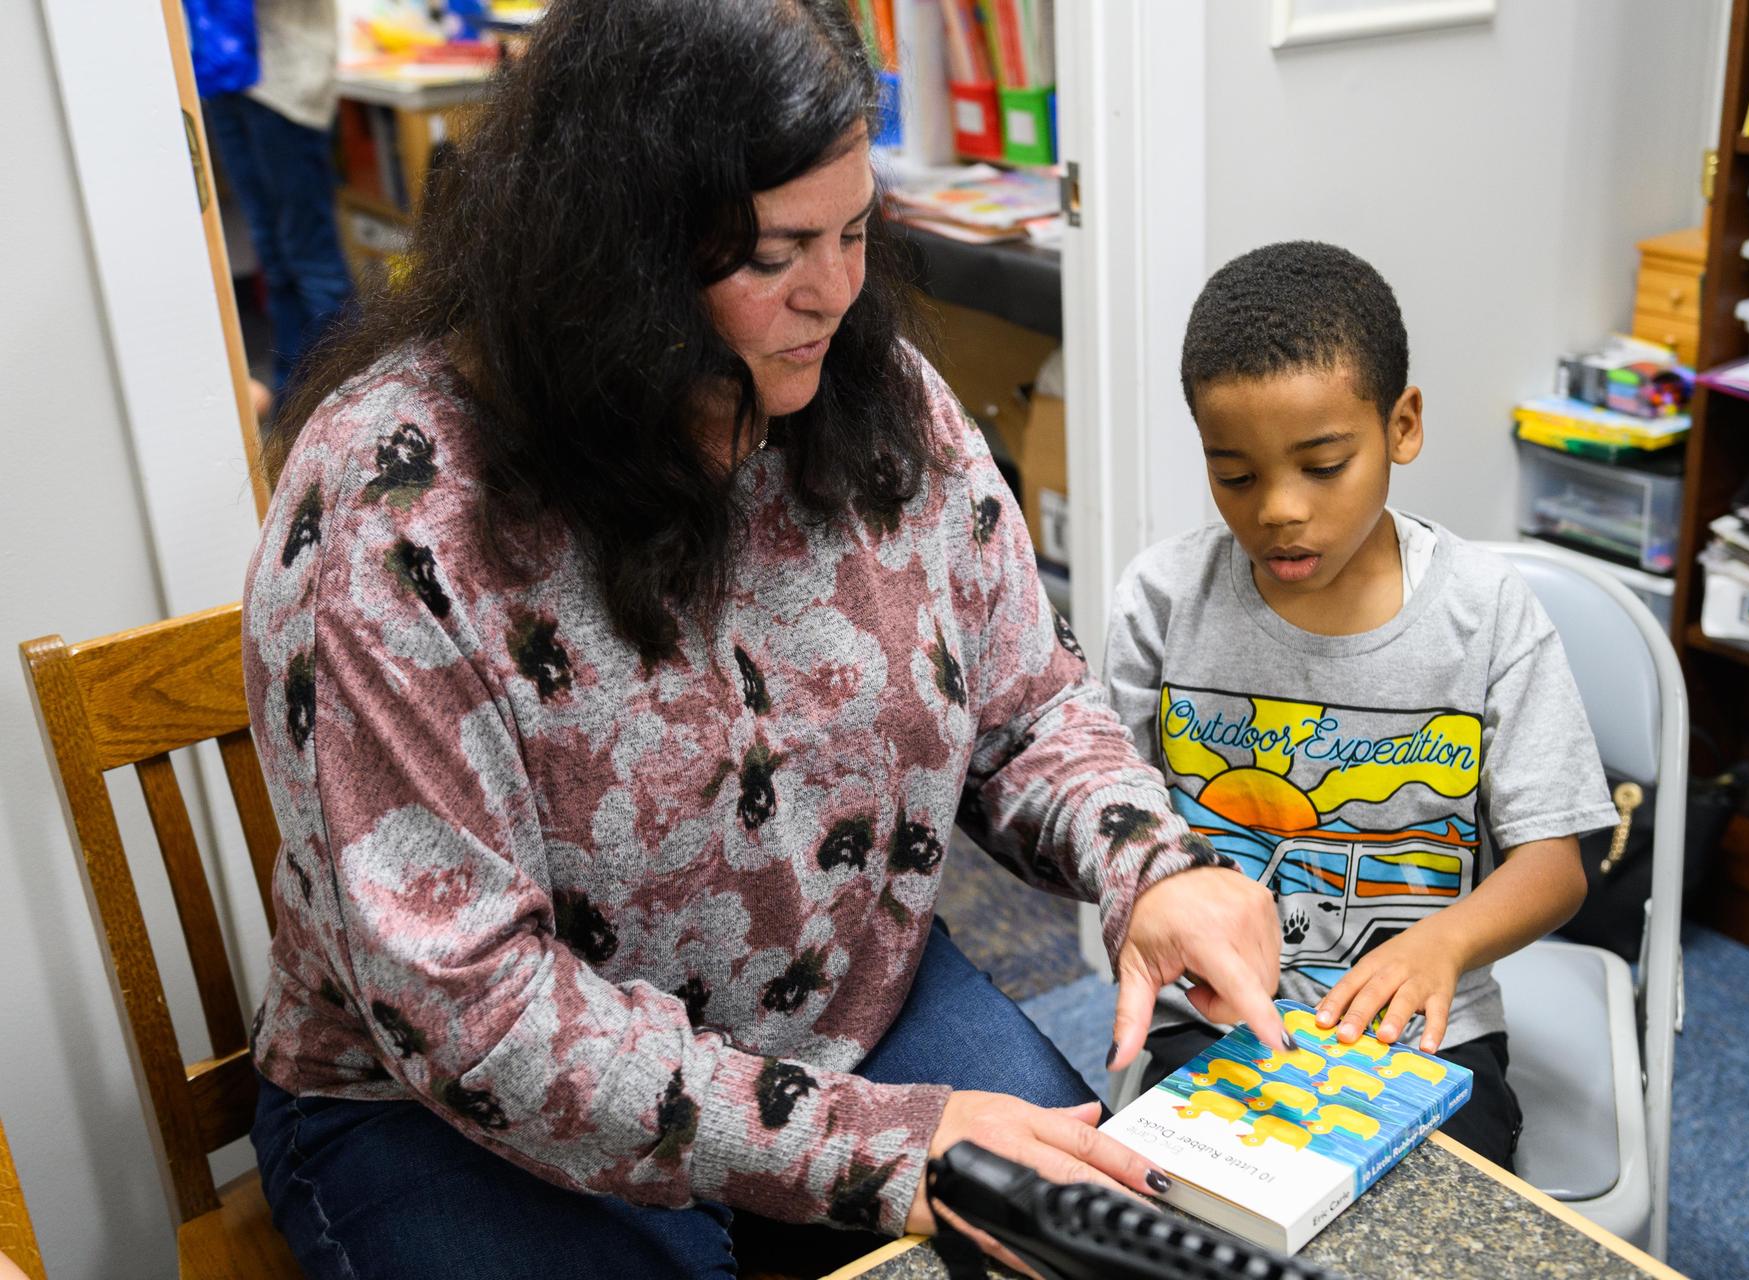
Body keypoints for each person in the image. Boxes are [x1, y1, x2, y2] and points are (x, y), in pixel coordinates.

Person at [240, 3, 1285, 1276]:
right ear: (612, 260)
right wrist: (874, 1145)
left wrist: (1149, 864)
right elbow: (479, 1014)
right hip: (462, 1115)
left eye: (854, 232)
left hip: (840, 1010)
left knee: (1072, 1254)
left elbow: (1027, 700)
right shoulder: (391, 514)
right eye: (779, 250)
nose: (837, 291)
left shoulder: (872, 392)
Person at [1103, 241, 1618, 1170]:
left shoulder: (1485, 614)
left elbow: (1557, 863)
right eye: (1237, 475)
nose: (1280, 512)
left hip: (1427, 1032)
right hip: (1216, 1025)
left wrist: (1445, 945)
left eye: (1323, 465)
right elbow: (1107, 816)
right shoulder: (1162, 601)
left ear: (1403, 426)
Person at [191, 0, 353, 394]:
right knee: (275, 258)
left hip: (286, 84)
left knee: (310, 258)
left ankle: (346, 398)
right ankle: (292, 399)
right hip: (225, 79)